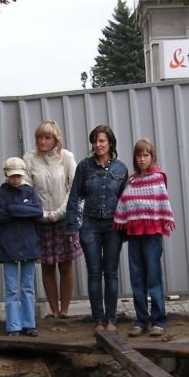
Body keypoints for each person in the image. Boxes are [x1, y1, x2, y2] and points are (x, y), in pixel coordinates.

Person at [65, 125, 129, 332]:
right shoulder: (84, 167)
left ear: (110, 143)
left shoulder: (121, 168)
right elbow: (74, 197)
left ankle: (111, 319)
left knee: (110, 273)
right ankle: (98, 320)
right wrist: (73, 228)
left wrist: (127, 228)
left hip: (113, 226)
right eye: (95, 141)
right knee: (94, 273)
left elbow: (125, 200)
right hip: (90, 226)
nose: (98, 145)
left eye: (102, 141)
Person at [113, 138, 175, 337]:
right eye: (139, 155)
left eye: (146, 155)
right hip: (134, 235)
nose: (142, 159)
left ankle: (159, 320)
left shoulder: (158, 178)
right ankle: (141, 321)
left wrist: (160, 220)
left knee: (153, 277)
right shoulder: (131, 181)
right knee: (136, 278)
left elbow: (162, 203)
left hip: (152, 235)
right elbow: (124, 203)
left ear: (152, 157)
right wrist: (122, 220)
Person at [24, 120, 82, 320]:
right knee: (47, 265)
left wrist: (58, 213)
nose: (42, 141)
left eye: (47, 137)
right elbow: (27, 190)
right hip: (40, 220)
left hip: (63, 219)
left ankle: (65, 310)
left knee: (65, 265)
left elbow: (73, 188)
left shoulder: (66, 158)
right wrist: (40, 214)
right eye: (39, 137)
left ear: (55, 139)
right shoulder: (29, 159)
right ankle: (53, 310)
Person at [0, 157, 44, 337]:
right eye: (12, 176)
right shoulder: (0, 193)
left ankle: (29, 324)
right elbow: (2, 217)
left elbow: (38, 212)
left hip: (29, 245)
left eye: (19, 176)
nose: (16, 179)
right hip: (8, 246)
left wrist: (14, 209)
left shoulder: (30, 192)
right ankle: (13, 326)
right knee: (12, 289)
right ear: (6, 175)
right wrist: (25, 211)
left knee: (28, 287)